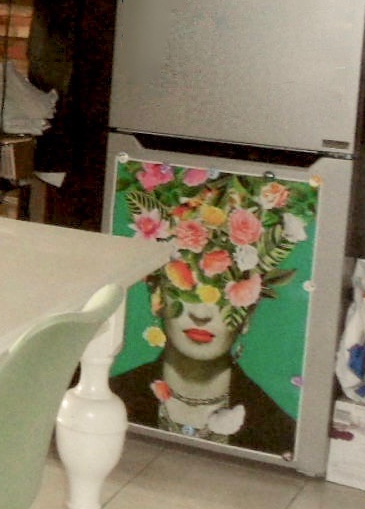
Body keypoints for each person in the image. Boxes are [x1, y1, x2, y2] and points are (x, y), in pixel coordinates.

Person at [110, 162, 314, 454]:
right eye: (185, 286)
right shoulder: (112, 398)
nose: (201, 313)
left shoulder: (276, 430)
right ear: (157, 296)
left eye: (225, 292)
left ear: (248, 312)